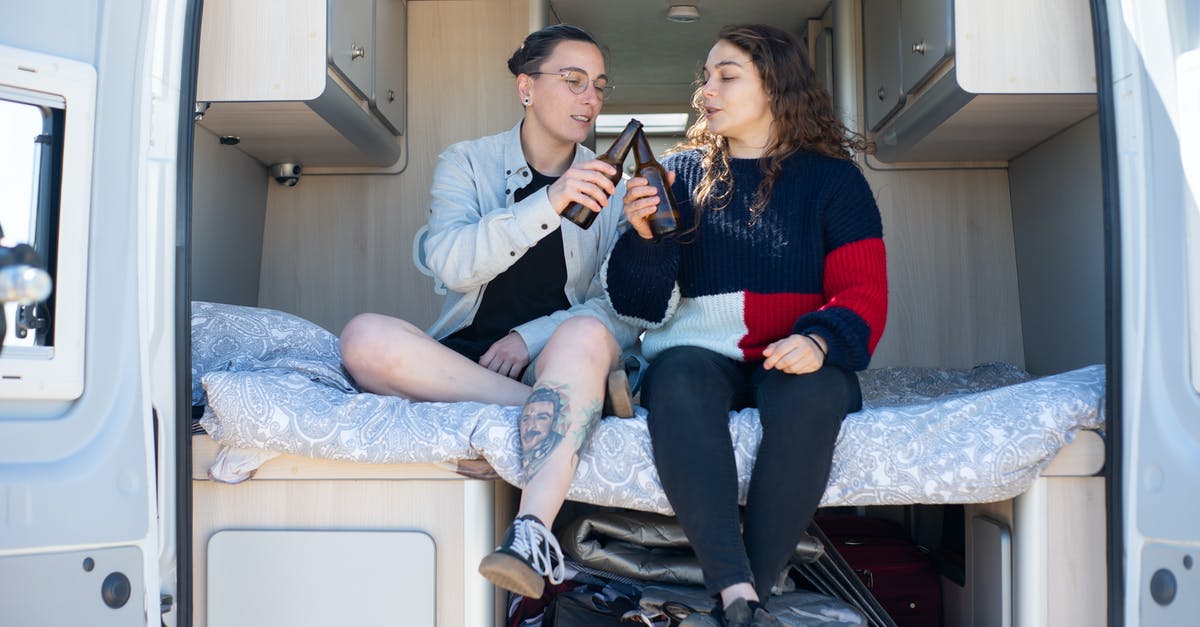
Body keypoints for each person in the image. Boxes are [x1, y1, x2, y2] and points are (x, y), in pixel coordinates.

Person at [338, 24, 638, 599]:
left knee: (584, 331)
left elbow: (619, 309)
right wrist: (550, 201)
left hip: (560, 357)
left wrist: (529, 337)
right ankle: (561, 415)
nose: (590, 99)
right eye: (573, 81)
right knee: (364, 338)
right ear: (526, 87)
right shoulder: (467, 163)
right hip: (466, 357)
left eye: (599, 86)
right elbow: (451, 264)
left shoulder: (615, 188)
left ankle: (537, 506)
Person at [603, 24, 887, 627]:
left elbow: (863, 292)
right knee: (676, 378)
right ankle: (736, 591)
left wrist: (819, 340)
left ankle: (744, 599)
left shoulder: (834, 181)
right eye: (705, 77)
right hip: (698, 350)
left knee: (815, 392)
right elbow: (640, 304)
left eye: (726, 76)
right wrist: (647, 237)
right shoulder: (678, 172)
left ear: (777, 88)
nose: (707, 89)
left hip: (793, 347)